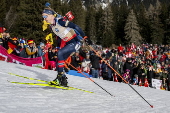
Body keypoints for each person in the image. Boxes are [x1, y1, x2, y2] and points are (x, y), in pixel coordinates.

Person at [42, 8, 91, 86]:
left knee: (60, 53)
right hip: (68, 43)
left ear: (51, 15)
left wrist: (85, 37)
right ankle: (63, 80)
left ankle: (59, 78)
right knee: (59, 61)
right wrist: (57, 47)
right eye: (43, 17)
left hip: (75, 42)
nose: (44, 19)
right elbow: (58, 38)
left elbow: (75, 26)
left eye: (45, 16)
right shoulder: (52, 26)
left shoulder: (60, 21)